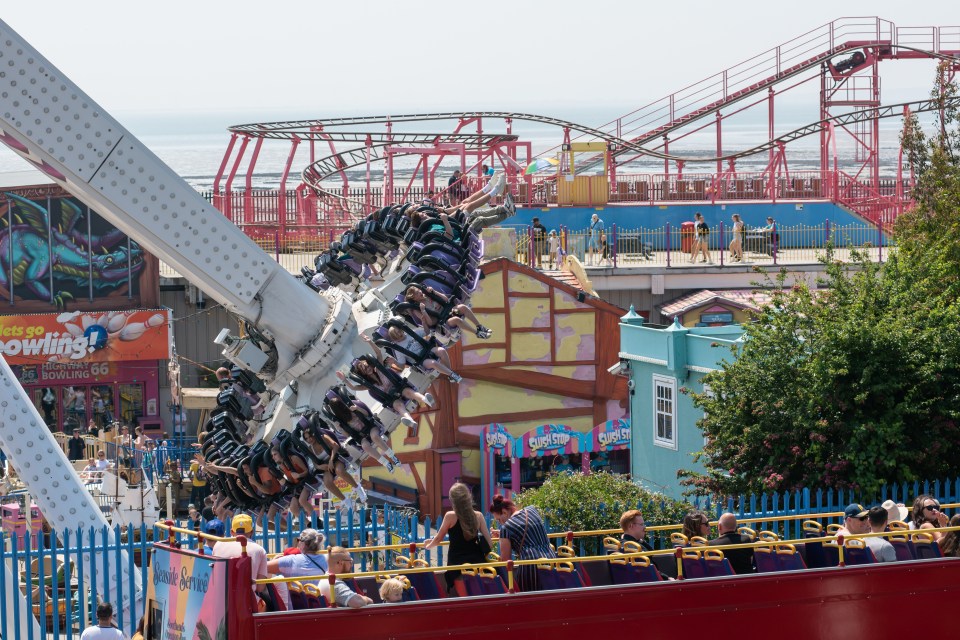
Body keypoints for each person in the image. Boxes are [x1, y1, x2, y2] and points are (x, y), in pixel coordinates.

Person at [424, 482, 494, 594]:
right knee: (479, 595)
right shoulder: (479, 516)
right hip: (477, 562)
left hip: (457, 565)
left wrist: (428, 546)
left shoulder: (450, 516)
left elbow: (438, 539)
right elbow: (489, 544)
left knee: (464, 598)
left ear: (453, 500)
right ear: (468, 497)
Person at [489, 495, 556, 591]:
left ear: (504, 512)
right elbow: (529, 530)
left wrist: (503, 537)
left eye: (499, 519)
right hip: (551, 561)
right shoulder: (531, 510)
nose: (500, 523)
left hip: (531, 567)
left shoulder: (506, 528)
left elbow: (506, 561)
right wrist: (503, 535)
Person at [212, 513, 269, 595]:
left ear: (232, 532)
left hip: (220, 597)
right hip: (246, 600)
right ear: (252, 532)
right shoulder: (259, 550)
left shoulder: (218, 544)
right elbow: (260, 587)